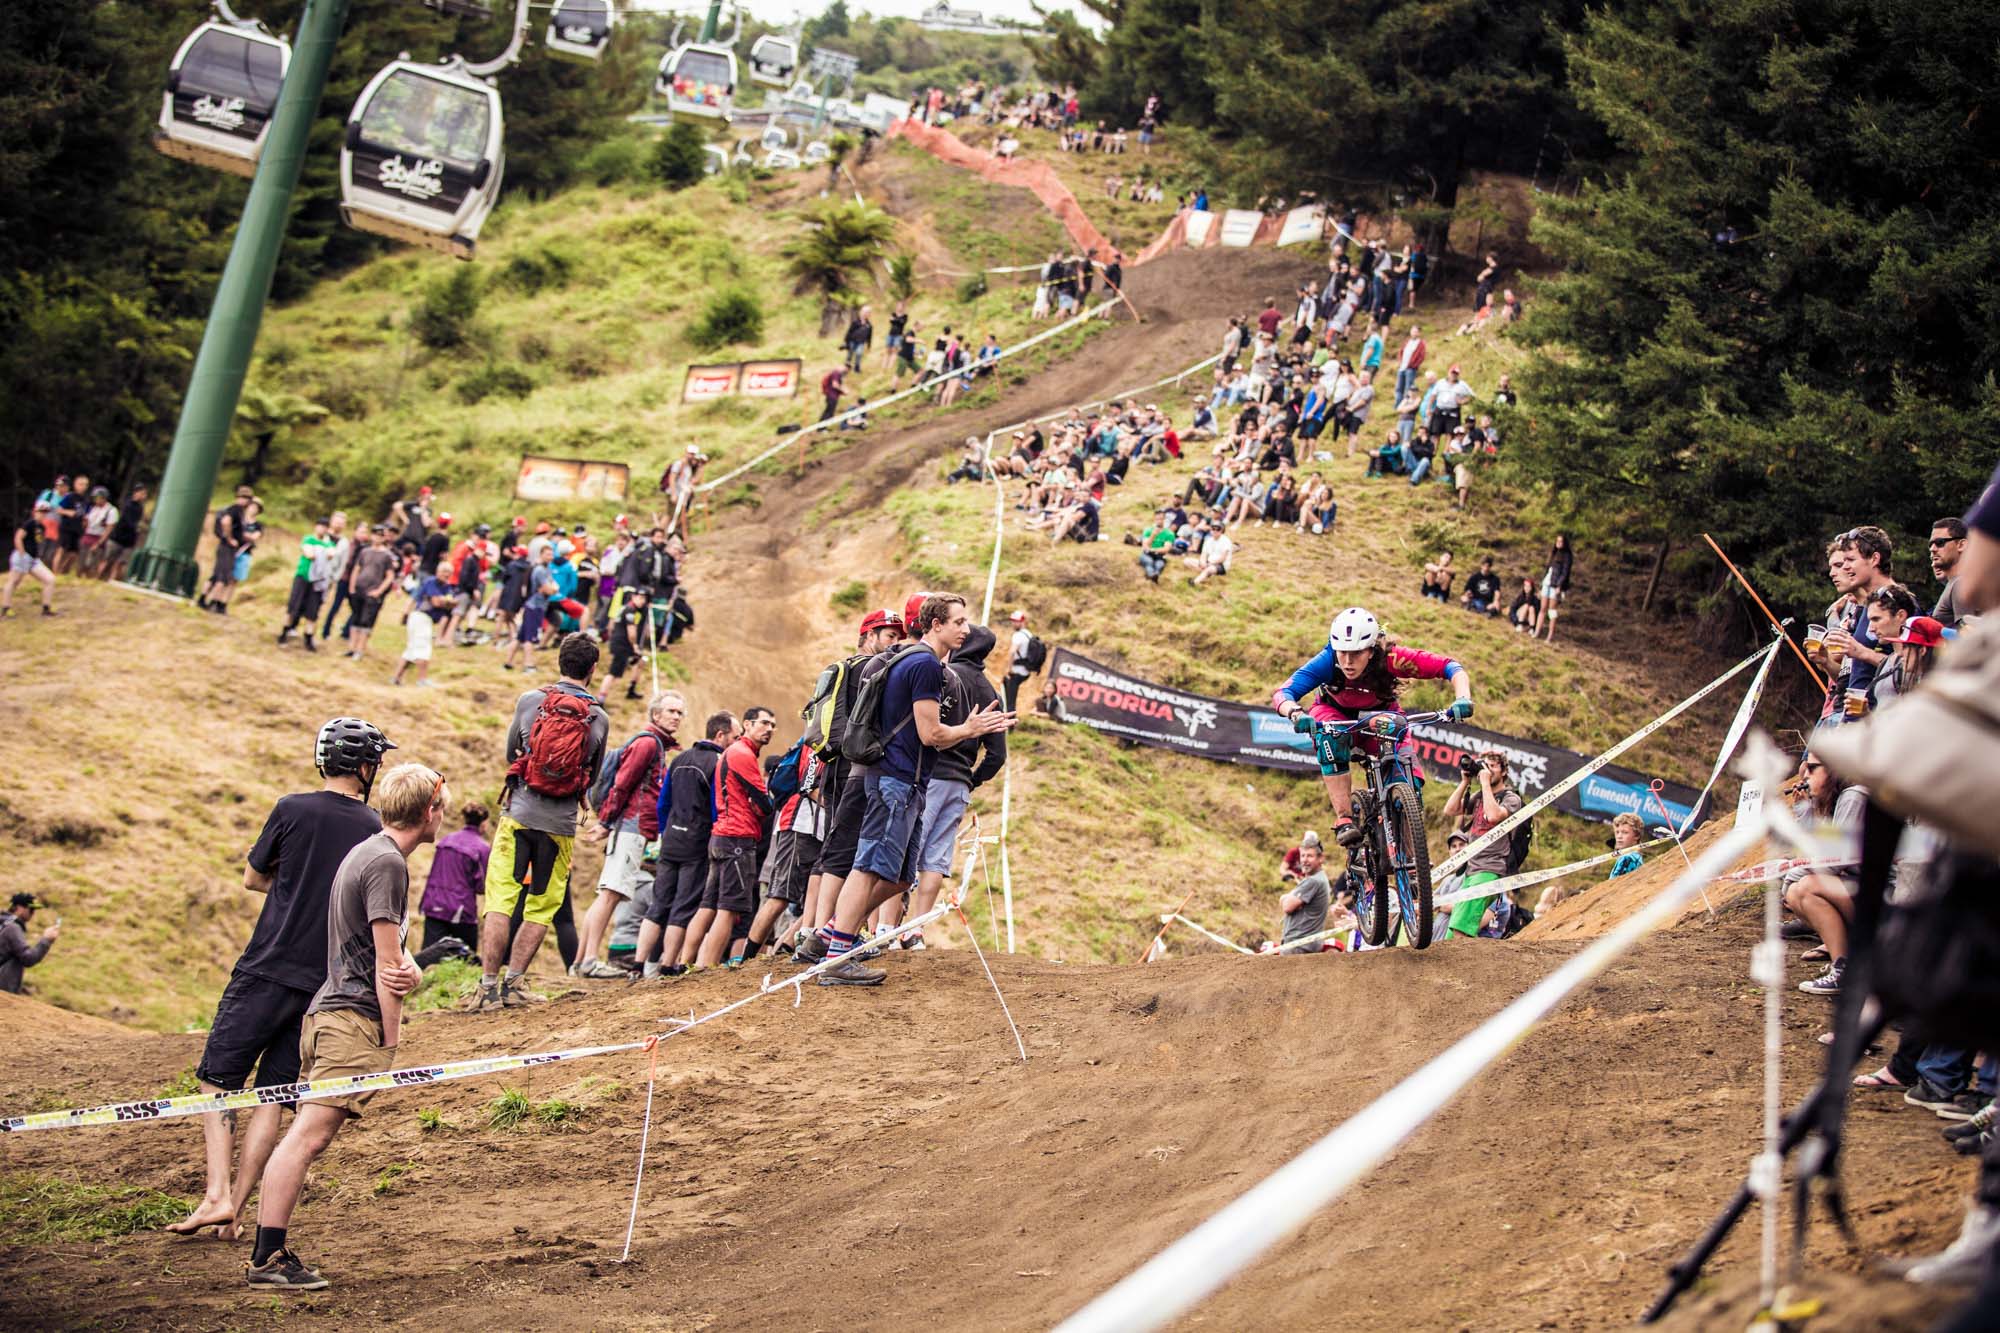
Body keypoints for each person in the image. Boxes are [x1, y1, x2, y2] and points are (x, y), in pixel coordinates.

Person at [167, 718, 394, 1241]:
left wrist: (292, 884)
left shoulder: (291, 808)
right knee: (273, 1095)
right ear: (363, 766)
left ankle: (216, 1195)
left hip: (267, 964)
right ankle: (237, 1211)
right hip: (324, 981)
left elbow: (253, 878)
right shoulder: (373, 827)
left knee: (219, 1080)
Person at [246, 762, 446, 1291]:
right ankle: (267, 1257)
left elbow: (398, 959)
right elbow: (388, 969)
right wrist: (392, 1035)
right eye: (439, 807)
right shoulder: (386, 863)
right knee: (307, 1137)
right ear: (428, 812)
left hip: (332, 1012)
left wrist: (410, 969)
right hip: (349, 1018)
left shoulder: (372, 852)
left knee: (306, 1134)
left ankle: (270, 1253)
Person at [796, 594, 1017, 984]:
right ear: (935, 624)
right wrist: (971, 729)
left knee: (900, 877)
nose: (965, 629)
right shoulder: (924, 665)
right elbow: (930, 733)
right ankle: (836, 958)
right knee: (868, 866)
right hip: (894, 779)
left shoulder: (913, 660)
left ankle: (830, 933)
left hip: (906, 780)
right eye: (958, 622)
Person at [473, 635, 610, 1011]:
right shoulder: (599, 716)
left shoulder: (531, 701)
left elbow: (508, 753)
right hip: (560, 824)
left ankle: (486, 989)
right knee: (540, 906)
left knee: (501, 899)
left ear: (559, 662)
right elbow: (593, 777)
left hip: (518, 814)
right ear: (593, 669)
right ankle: (514, 984)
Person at [1272, 607, 1475, 848]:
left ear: (1371, 650)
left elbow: (1450, 667)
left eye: (1356, 653)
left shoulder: (1392, 658)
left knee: (1411, 785)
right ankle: (1345, 819)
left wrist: (1463, 698)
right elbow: (1284, 693)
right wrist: (1295, 713)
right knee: (1329, 736)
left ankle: (1410, 858)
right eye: (1343, 653)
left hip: (1379, 716)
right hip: (1335, 714)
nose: (1347, 661)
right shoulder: (1327, 660)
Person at [905, 621, 1008, 944]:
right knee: (935, 858)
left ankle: (886, 927)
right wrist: (972, 780)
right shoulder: (992, 692)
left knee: (908, 850)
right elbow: (997, 755)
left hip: (930, 774)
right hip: (959, 782)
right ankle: (916, 930)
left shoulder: (944, 674)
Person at [574, 691, 683, 978]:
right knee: (611, 894)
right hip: (630, 826)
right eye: (671, 711)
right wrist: (607, 822)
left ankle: (581, 960)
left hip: (628, 825)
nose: (676, 717)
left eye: (680, 713)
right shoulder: (648, 743)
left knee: (606, 893)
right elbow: (623, 783)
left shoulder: (653, 743)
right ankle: (588, 960)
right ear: (655, 715)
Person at [634, 710, 733, 977]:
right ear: (721, 735)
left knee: (659, 903)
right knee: (683, 905)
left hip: (671, 840)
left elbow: (662, 803)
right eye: (734, 737)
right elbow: (717, 807)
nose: (735, 743)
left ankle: (637, 965)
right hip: (696, 841)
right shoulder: (718, 762)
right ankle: (667, 966)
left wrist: (666, 831)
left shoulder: (680, 759)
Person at [686, 706, 775, 968]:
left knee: (709, 906)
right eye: (764, 723)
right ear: (747, 725)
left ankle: (685, 965)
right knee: (729, 909)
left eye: (772, 725)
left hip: (722, 835)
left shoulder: (731, 753)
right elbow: (765, 803)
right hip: (737, 837)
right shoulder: (743, 754)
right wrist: (761, 803)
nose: (769, 729)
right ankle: (705, 967)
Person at [1440, 751, 1523, 939]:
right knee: (1454, 930)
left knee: (1461, 927)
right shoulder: (1479, 796)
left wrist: (1485, 782)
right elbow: (1450, 810)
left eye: (1493, 766)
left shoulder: (1511, 798)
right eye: (1484, 765)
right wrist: (1465, 782)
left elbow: (1494, 816)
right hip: (1471, 870)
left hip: (1490, 869)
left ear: (1503, 772)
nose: (1488, 769)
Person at [419, 802, 491, 952]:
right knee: (467, 959)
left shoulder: (446, 840)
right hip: (461, 909)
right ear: (484, 823)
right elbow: (482, 885)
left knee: (430, 957)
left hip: (434, 904)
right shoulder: (482, 848)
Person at [1540, 813, 1645, 911]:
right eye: (1617, 832)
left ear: (1636, 836)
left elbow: (1612, 887)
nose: (1619, 836)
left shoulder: (1627, 858)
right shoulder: (1637, 857)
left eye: (1625, 832)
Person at [279, 516, 341, 651]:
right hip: (303, 577)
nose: (323, 529)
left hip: (318, 581)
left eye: (325, 527)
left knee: (313, 611)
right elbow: (309, 553)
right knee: (293, 607)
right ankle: (284, 632)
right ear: (316, 526)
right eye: (321, 526)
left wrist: (322, 550)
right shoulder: (308, 539)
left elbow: (332, 553)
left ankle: (308, 637)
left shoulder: (328, 543)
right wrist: (320, 552)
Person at [390, 563, 454, 687]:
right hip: (421, 617)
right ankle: (422, 679)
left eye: (448, 572)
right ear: (437, 571)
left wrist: (445, 601)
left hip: (426, 619)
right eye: (444, 571)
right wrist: (446, 601)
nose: (446, 574)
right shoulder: (431, 582)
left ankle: (396, 678)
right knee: (423, 648)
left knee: (411, 649)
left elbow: (453, 602)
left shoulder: (446, 587)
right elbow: (436, 602)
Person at [198, 485, 257, 614]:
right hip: (227, 547)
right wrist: (230, 538)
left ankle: (202, 599)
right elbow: (226, 522)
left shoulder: (231, 509)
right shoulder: (235, 509)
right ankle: (213, 602)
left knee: (216, 575)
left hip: (224, 546)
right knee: (223, 577)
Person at [343, 527, 399, 661]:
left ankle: (360, 649)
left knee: (366, 621)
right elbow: (356, 569)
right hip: (359, 589)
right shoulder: (364, 551)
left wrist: (379, 591)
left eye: (380, 535)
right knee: (355, 619)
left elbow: (390, 576)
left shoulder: (387, 555)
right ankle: (351, 647)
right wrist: (352, 587)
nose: (377, 538)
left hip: (372, 592)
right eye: (375, 534)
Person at [4, 503, 58, 618]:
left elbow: (37, 542)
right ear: (35, 512)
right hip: (23, 557)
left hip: (34, 559)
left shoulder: (42, 527)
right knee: (14, 581)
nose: (43, 515)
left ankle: (46, 608)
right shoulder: (29, 524)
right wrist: (22, 554)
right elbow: (18, 537)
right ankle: (6, 608)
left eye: (45, 513)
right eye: (41, 512)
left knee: (50, 579)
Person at [0, 893, 58, 993]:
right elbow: (28, 958)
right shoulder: (12, 928)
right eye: (31, 909)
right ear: (19, 908)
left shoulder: (5, 924)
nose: (33, 913)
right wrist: (46, 940)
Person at [1279, 842, 1331, 954]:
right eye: (1303, 856)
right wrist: (1287, 898)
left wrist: (1286, 898)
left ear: (1320, 858)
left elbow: (1287, 906)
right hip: (1302, 944)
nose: (1304, 860)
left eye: (1310, 856)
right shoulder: (1318, 879)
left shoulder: (1313, 881)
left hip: (1299, 944)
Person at [98, 484, 148, 582]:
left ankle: (112, 580)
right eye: (142, 493)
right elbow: (127, 521)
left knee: (120, 563)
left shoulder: (140, 508)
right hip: (117, 538)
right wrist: (137, 527)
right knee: (107, 560)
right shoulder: (128, 505)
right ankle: (99, 578)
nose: (144, 496)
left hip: (129, 541)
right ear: (136, 493)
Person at [1534, 534, 1573, 642]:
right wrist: (1542, 584)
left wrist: (1559, 586)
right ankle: (1537, 631)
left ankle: (1550, 636)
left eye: (1561, 541)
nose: (1558, 543)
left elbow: (1565, 573)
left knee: (1552, 610)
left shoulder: (1567, 556)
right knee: (1542, 608)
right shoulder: (1553, 553)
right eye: (1557, 541)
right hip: (1547, 582)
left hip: (1555, 585)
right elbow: (1547, 570)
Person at [1929, 516, 1967, 627]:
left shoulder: (1961, 583)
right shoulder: (1954, 583)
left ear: (1961, 545)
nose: (1933, 548)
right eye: (1930, 544)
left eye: (1940, 542)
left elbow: (1967, 633)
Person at [1004, 609, 1040, 710]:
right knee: (1009, 695)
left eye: (1016, 621)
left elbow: (1012, 652)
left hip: (1017, 672)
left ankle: (1010, 723)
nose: (1013, 623)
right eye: (1013, 621)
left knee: (1010, 701)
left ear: (1022, 622)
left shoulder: (1018, 635)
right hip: (1025, 672)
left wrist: (1009, 669)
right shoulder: (1028, 634)